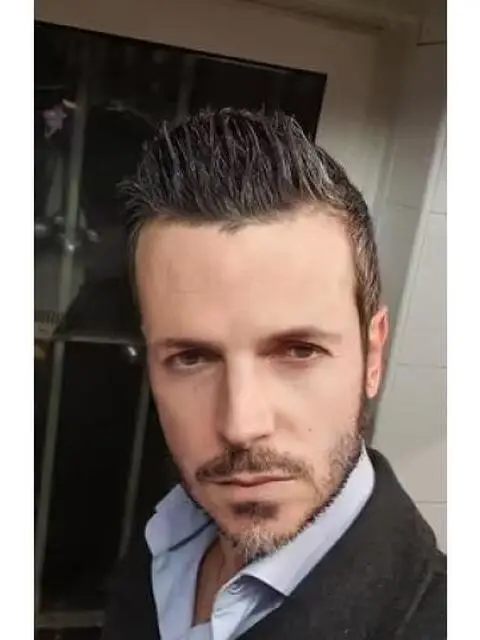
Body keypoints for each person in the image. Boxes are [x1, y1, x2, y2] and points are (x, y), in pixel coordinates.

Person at [102, 108, 446, 640]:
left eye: (299, 351)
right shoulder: (161, 545)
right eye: (192, 358)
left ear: (373, 356)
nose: (241, 425)